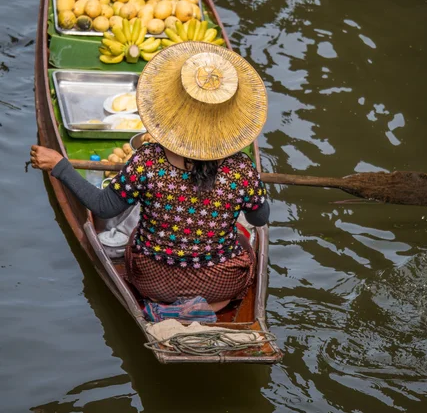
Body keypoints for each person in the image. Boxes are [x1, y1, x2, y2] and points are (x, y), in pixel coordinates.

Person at [30, 43, 270, 311]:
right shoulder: (241, 169)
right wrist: (254, 190)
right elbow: (259, 219)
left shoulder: (148, 159)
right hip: (219, 284)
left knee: (137, 235)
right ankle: (210, 308)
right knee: (243, 245)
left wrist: (61, 165)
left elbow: (103, 207)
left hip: (153, 281)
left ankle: (163, 304)